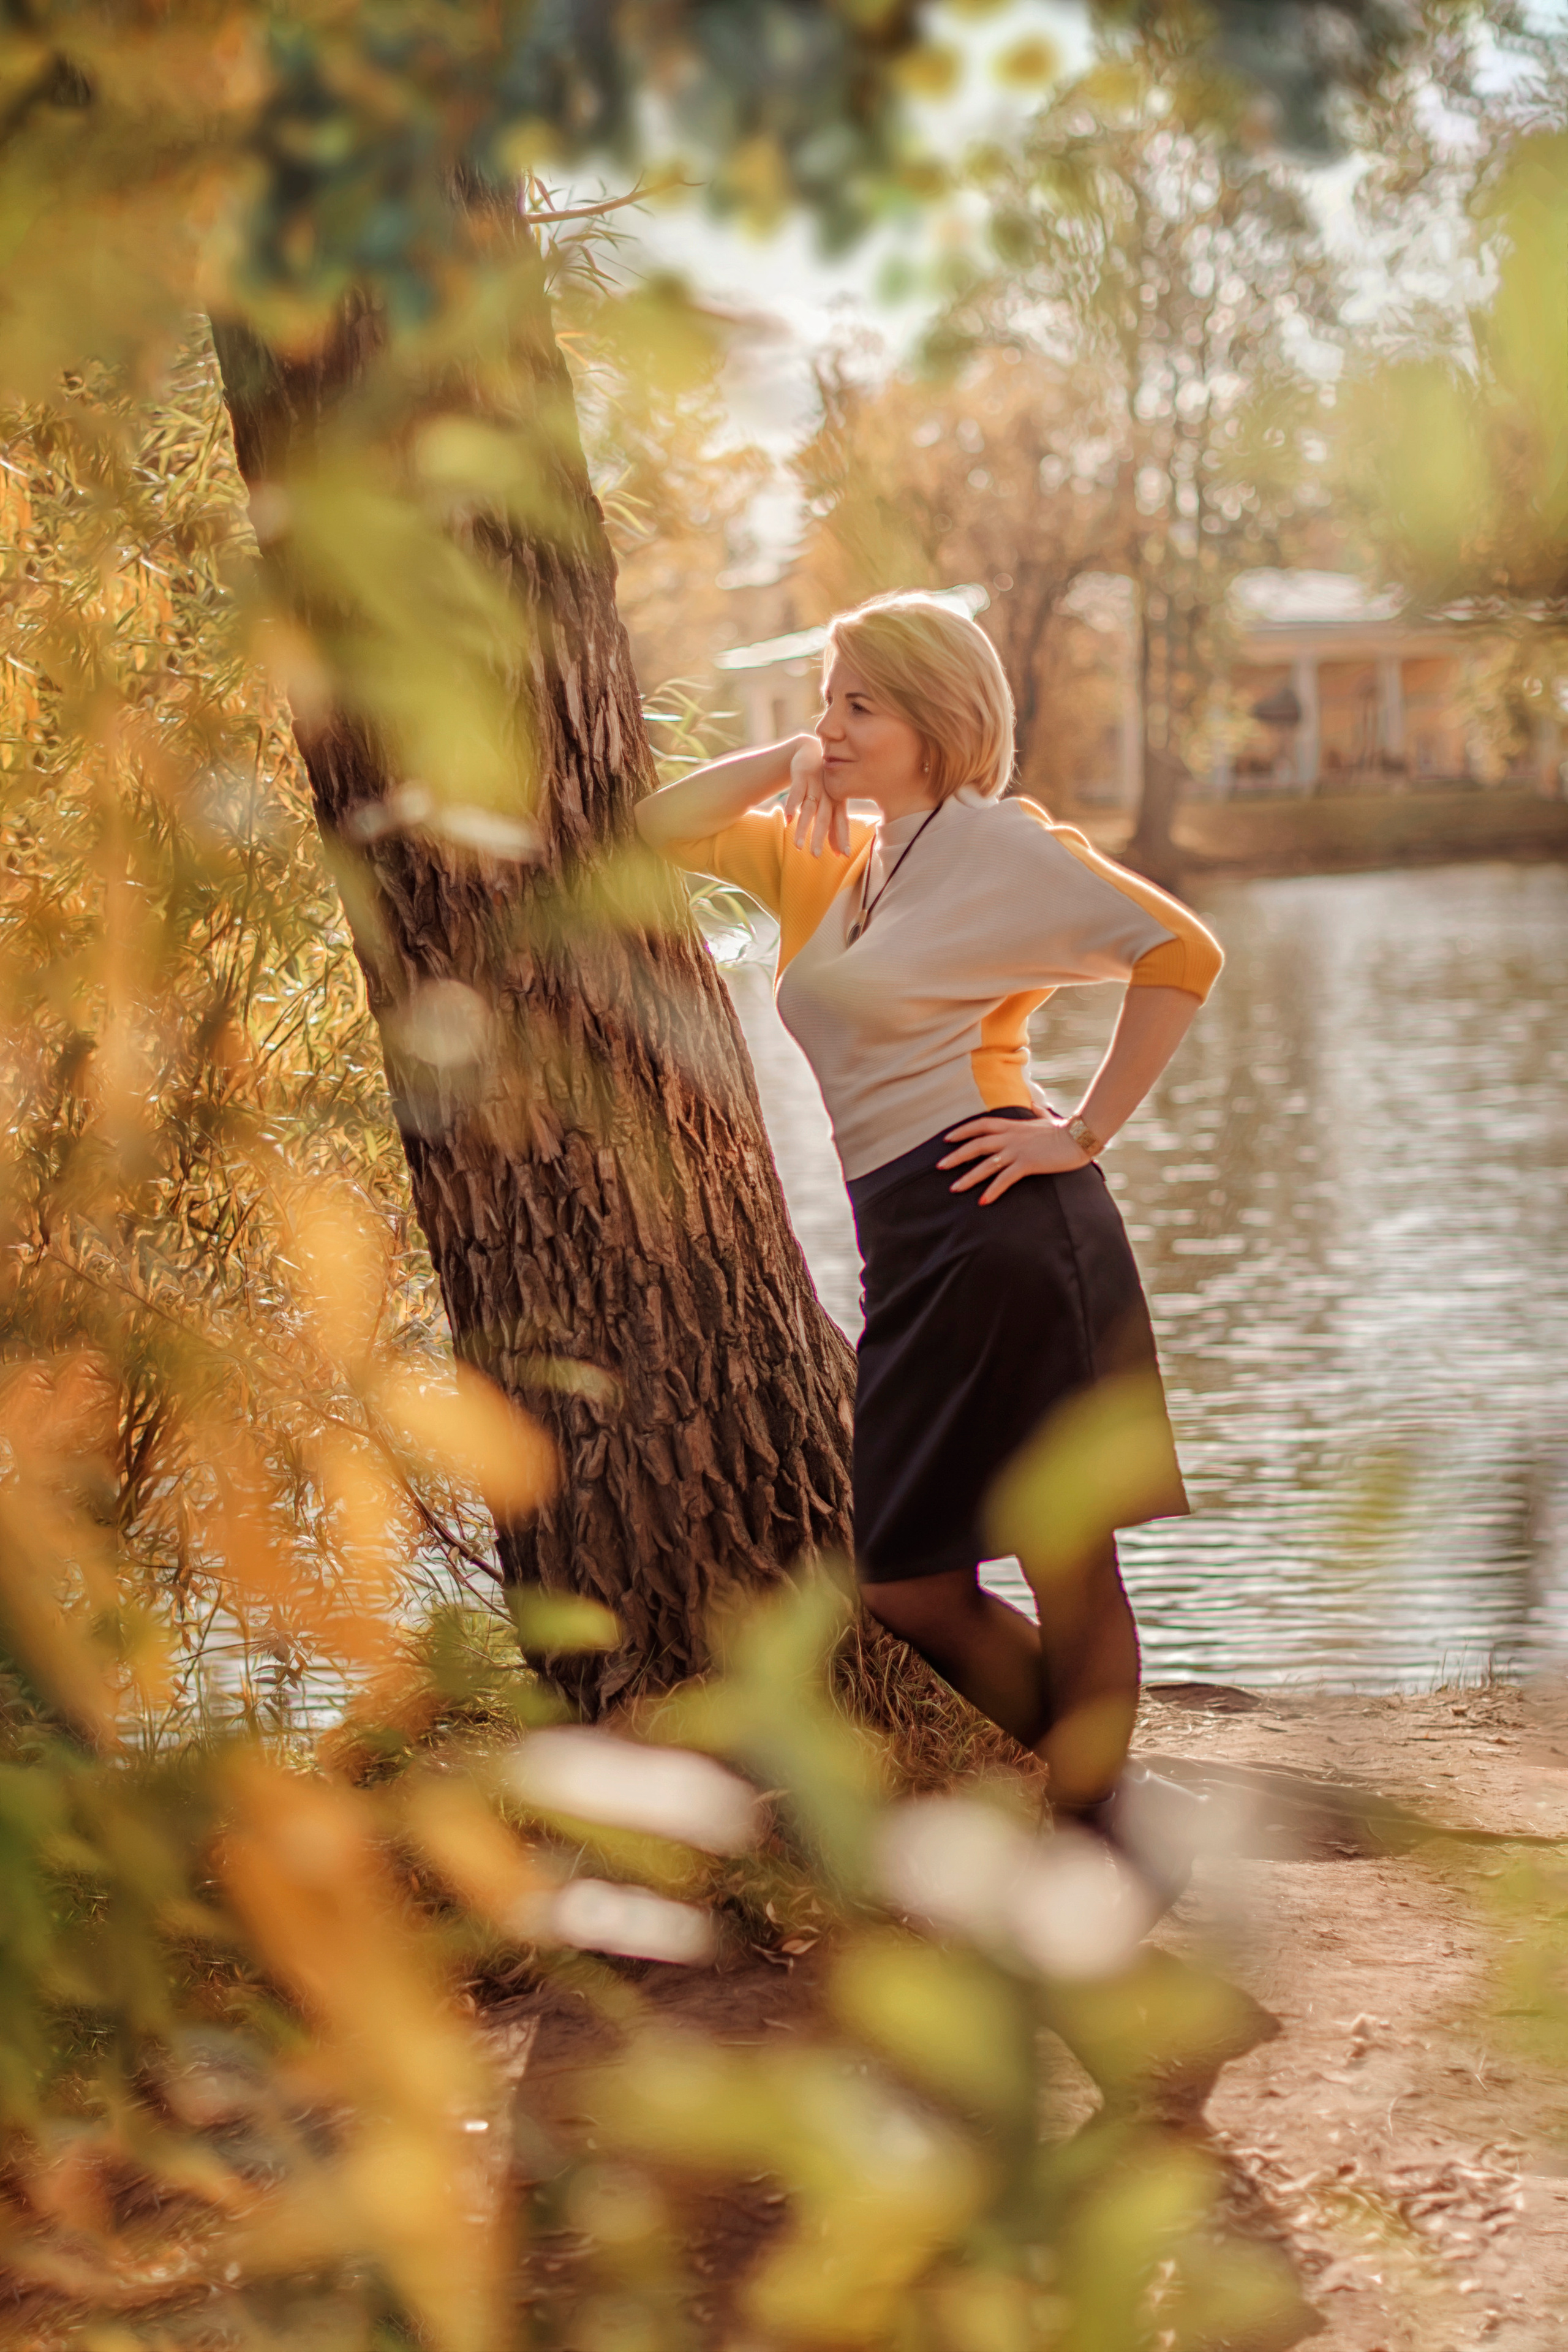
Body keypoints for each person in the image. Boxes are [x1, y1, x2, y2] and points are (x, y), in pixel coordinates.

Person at [636, 593, 1223, 1894]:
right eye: (827, 700)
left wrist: (1079, 1131)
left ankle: (1097, 1836)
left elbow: (1178, 950)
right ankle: (1114, 1802)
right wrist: (787, 760)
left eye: (860, 705)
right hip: (906, 1246)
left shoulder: (1001, 852)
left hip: (1011, 1225)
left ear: (939, 724)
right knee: (906, 1577)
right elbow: (647, 829)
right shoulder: (827, 861)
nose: (831, 728)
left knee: (1064, 1555)